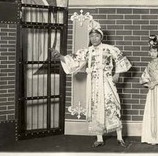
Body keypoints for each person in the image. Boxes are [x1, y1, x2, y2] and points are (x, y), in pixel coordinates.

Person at [51, 20, 132, 148]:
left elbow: (121, 59)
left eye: (97, 36)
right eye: (92, 36)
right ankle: (99, 138)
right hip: (93, 84)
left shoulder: (109, 49)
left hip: (106, 82)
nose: (94, 38)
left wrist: (118, 73)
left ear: (101, 37)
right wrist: (60, 56)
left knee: (112, 105)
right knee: (96, 107)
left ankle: (120, 137)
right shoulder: (87, 51)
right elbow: (75, 61)